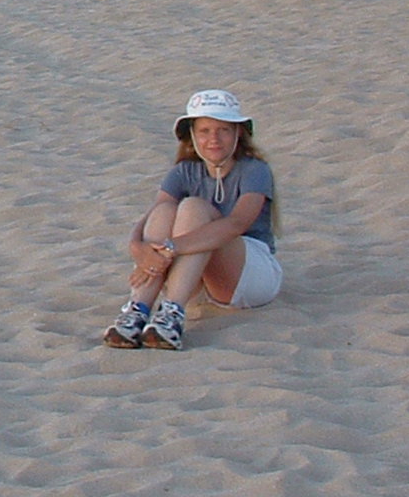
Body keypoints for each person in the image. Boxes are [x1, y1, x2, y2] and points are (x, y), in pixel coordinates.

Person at [102, 89, 281, 351]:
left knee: (193, 208)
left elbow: (237, 224)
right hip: (197, 278)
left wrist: (169, 248)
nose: (213, 139)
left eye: (223, 130)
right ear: (193, 135)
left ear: (238, 133)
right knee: (165, 211)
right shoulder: (184, 171)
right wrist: (138, 249)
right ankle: (138, 310)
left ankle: (172, 313)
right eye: (205, 131)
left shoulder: (254, 169)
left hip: (250, 273)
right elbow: (154, 214)